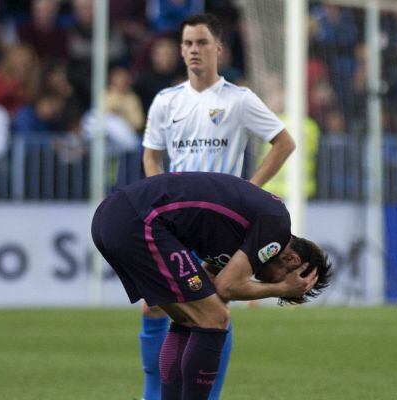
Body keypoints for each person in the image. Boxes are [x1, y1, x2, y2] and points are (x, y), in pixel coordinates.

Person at [140, 13, 296, 400]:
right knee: (155, 307)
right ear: (180, 50)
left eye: (202, 43)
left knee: (214, 309)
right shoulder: (166, 101)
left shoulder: (239, 100)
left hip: (217, 228)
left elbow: (284, 142)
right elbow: (151, 155)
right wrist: (155, 193)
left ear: (218, 49)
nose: (194, 50)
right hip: (174, 222)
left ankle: (207, 394)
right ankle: (153, 393)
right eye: (188, 43)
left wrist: (250, 190)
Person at [91, 172, 332, 400]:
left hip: (113, 217)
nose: (264, 280)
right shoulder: (276, 228)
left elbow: (212, 285)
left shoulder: (245, 236)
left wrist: (276, 286)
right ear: (292, 260)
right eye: (276, 279)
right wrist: (282, 289)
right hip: (140, 221)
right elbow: (227, 288)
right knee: (215, 316)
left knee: (190, 319)